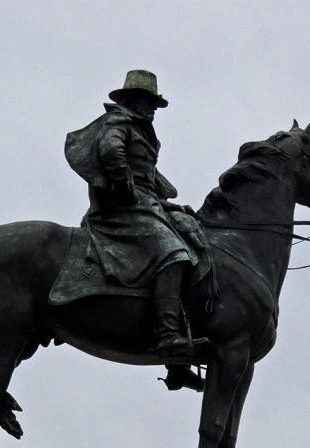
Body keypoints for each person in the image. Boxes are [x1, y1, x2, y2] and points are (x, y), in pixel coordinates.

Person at [65, 69, 210, 391]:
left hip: (146, 204)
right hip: (121, 210)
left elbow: (146, 172)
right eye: (149, 102)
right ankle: (170, 338)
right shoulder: (119, 124)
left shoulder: (141, 131)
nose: (153, 109)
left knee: (191, 234)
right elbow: (110, 152)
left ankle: (178, 366)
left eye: (155, 104)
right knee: (173, 253)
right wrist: (126, 187)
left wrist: (163, 196)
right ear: (133, 100)